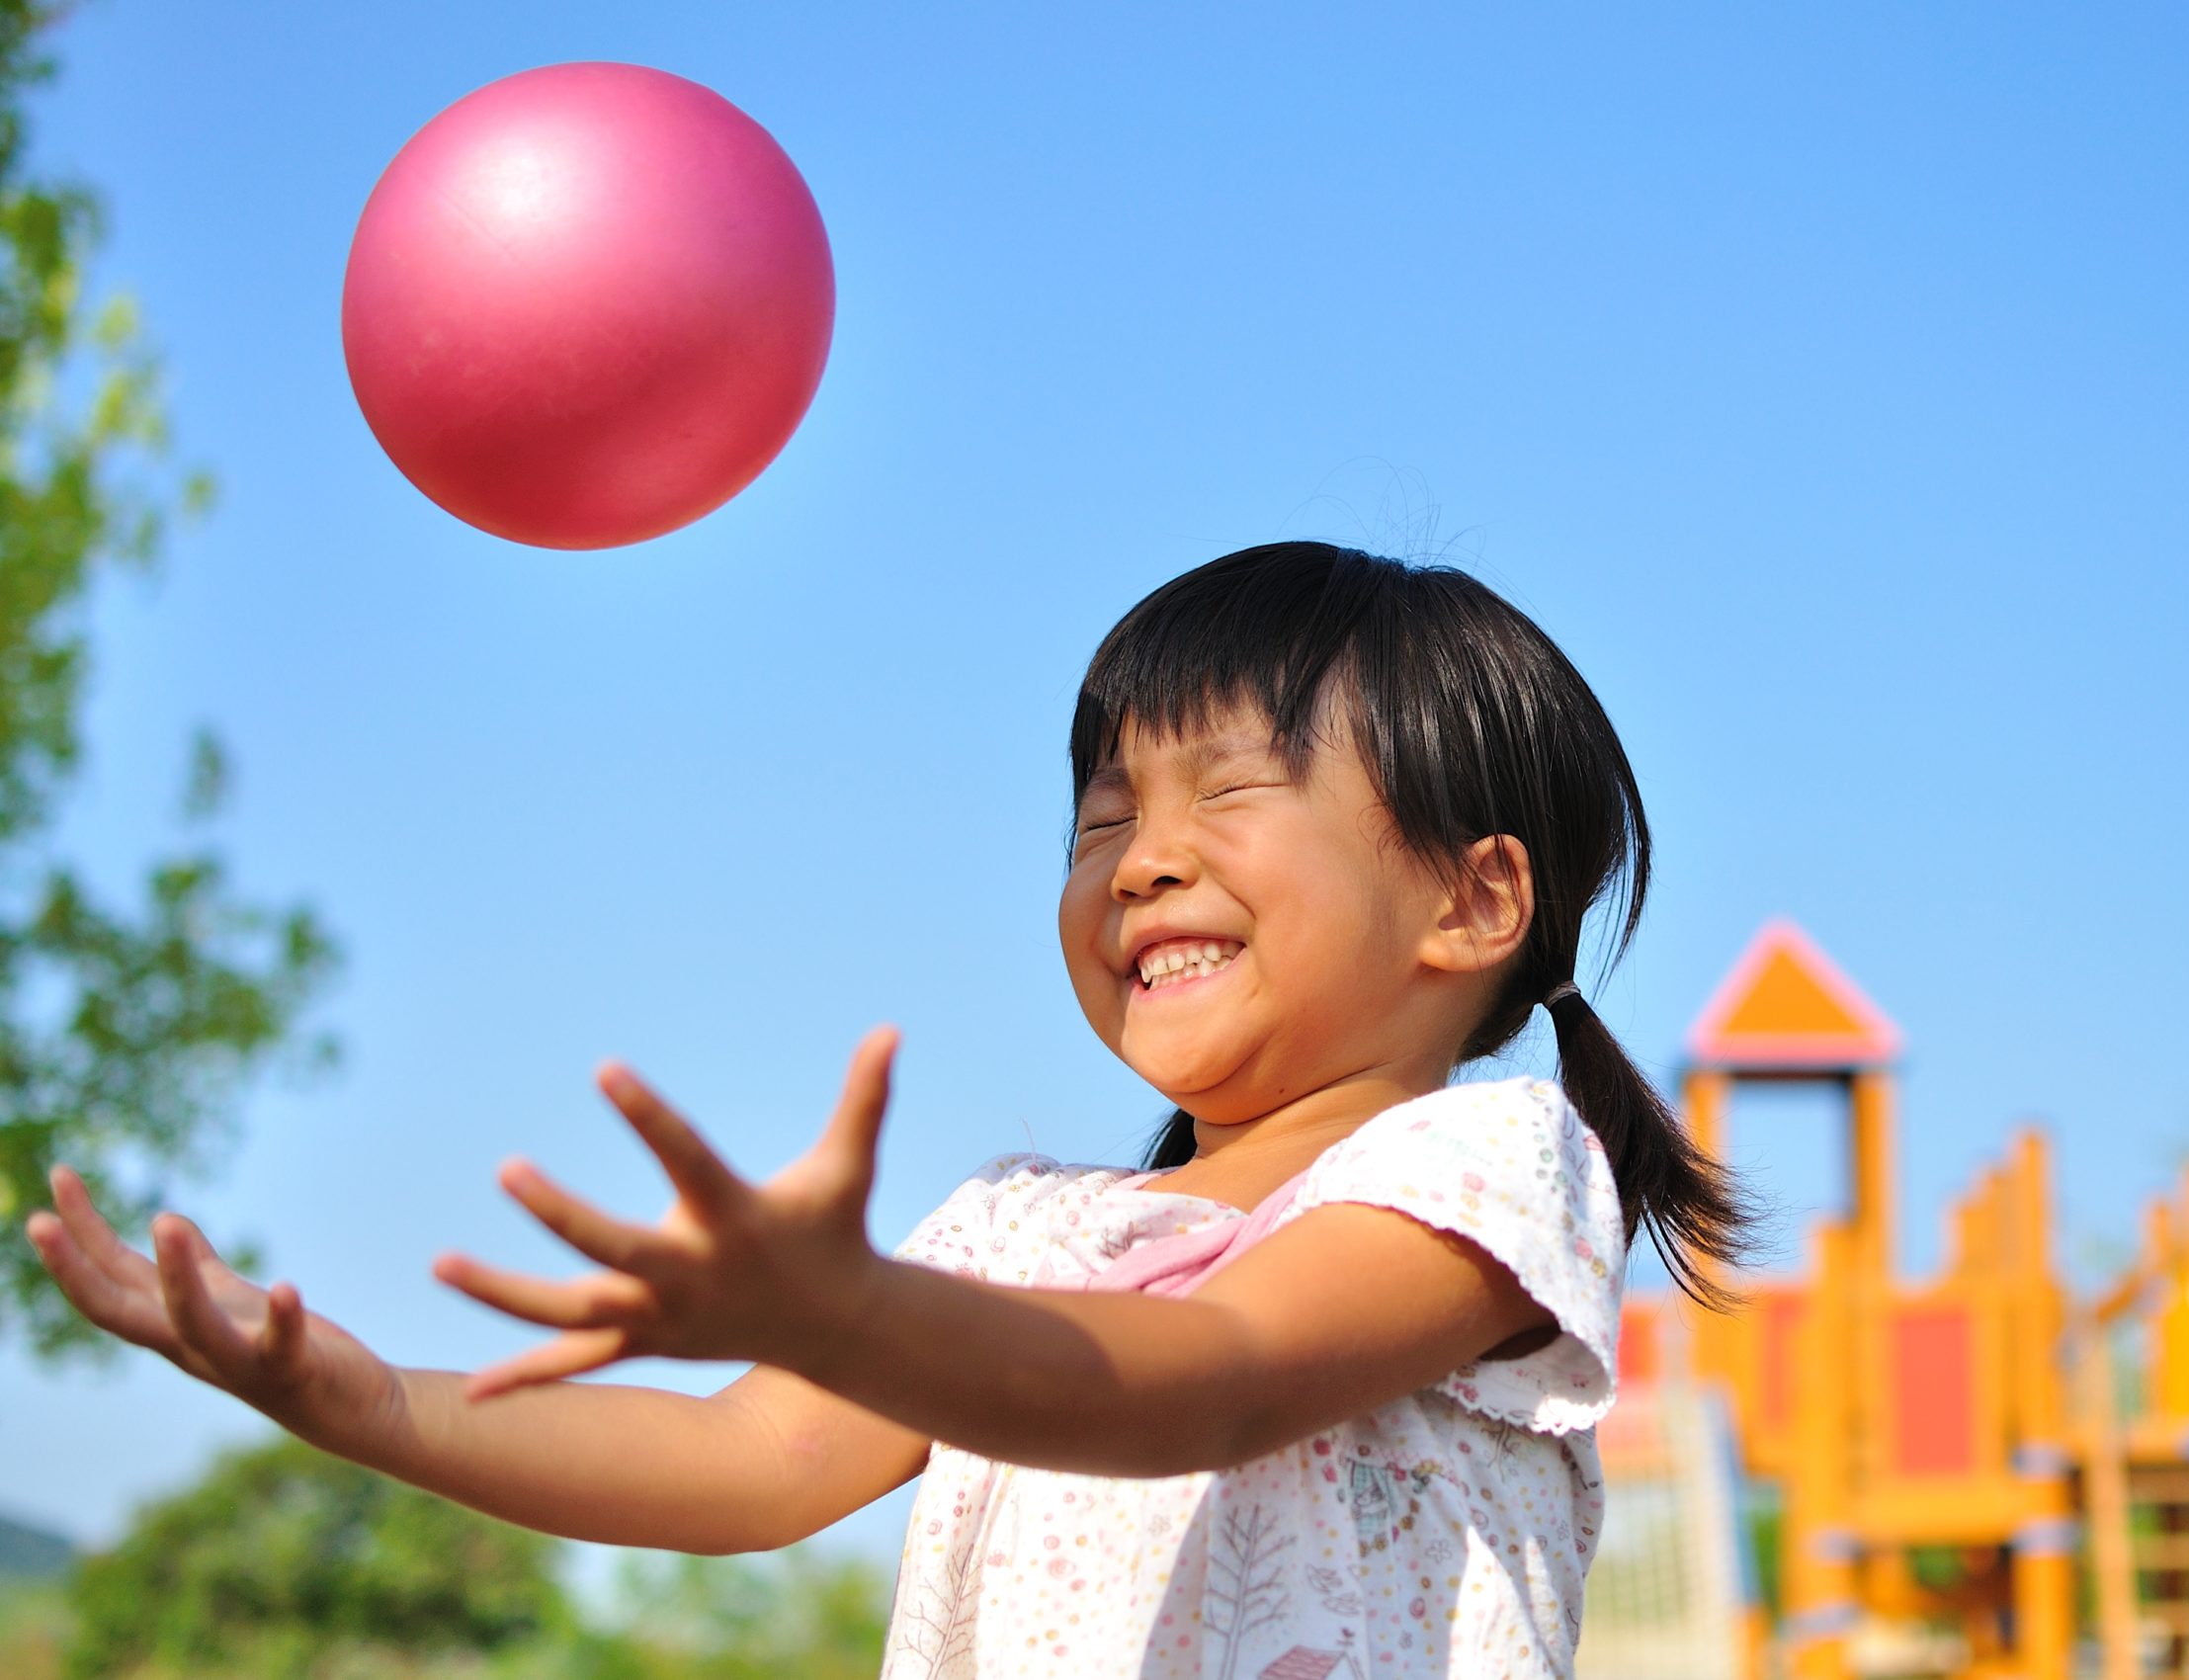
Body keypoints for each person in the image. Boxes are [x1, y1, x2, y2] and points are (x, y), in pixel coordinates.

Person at [27, 542, 1745, 1678]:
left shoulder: (1488, 1168)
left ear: (1473, 901)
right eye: (1099, 818)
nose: (1142, 859)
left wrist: (852, 1311)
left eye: (1229, 792)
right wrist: (358, 1394)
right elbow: (744, 1458)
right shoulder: (1014, 1231)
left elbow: (1206, 1384)